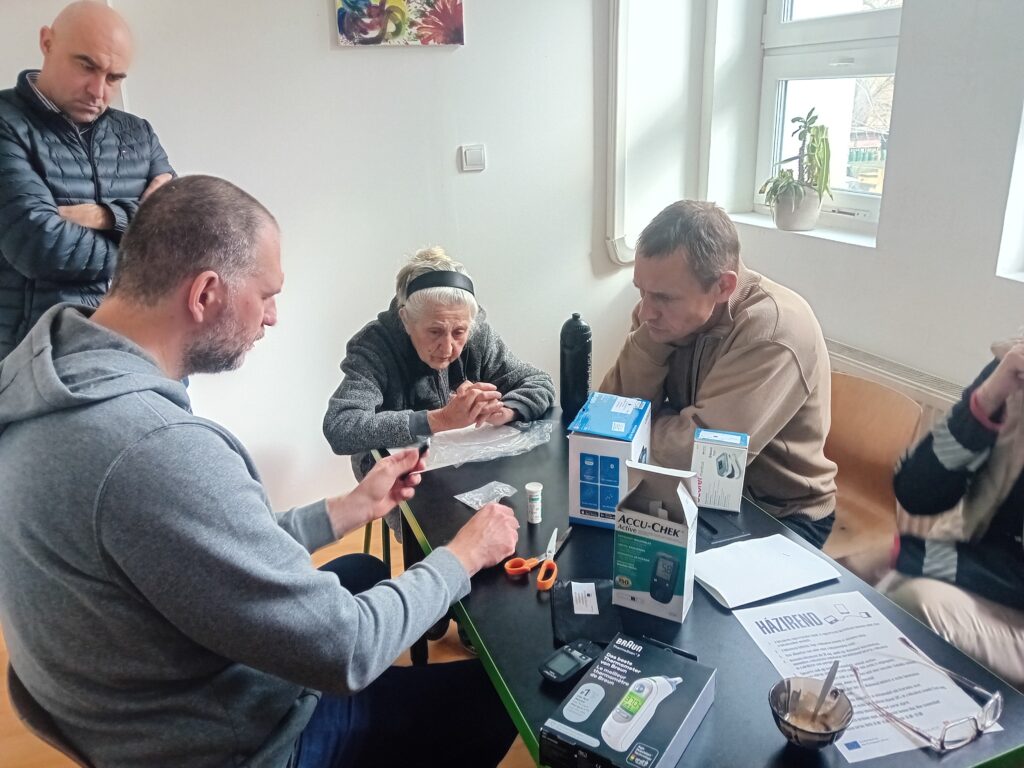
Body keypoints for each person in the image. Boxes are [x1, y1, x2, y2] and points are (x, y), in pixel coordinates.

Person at [0, 175, 520, 767]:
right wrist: (463, 555)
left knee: (366, 569)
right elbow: (346, 649)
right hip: (242, 742)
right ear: (205, 294)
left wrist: (347, 509)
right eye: (267, 294)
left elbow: (202, 543)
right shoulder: (154, 447)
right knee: (502, 692)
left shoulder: (54, 380)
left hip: (140, 702)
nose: (272, 317)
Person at [600, 200, 838, 548]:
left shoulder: (773, 331)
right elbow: (607, 421)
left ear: (723, 286)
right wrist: (651, 344)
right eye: (641, 291)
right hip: (691, 495)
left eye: (664, 298)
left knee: (663, 576)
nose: (646, 311)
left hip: (779, 512)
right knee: (604, 552)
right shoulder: (661, 319)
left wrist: (640, 429)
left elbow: (700, 460)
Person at [0, 1, 174, 359]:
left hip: (141, 352)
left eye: (114, 78)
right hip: (40, 360)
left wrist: (107, 216)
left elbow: (180, 230)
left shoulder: (138, 133)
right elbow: (38, 246)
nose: (98, 91)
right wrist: (145, 241)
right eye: (86, 66)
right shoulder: (5, 122)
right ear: (47, 42)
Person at [323, 246, 556, 480]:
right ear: (406, 319)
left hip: (457, 463)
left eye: (459, 332)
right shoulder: (374, 345)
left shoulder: (478, 336)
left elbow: (539, 382)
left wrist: (506, 410)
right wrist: (441, 419)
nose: (447, 348)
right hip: (389, 476)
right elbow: (341, 427)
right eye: (434, 331)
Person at [881, 339, 1024, 688]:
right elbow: (916, 491)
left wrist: (908, 554)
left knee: (915, 604)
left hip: (1006, 589)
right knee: (862, 594)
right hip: (977, 560)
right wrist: (986, 401)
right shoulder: (1012, 364)